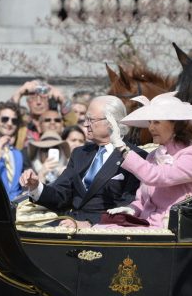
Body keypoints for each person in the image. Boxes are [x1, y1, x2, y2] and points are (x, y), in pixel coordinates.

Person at [19, 95, 142, 224]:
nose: (85, 124)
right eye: (85, 119)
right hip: (67, 224)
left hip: (104, 233)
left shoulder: (135, 157)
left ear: (112, 122)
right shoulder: (80, 153)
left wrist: (89, 223)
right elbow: (61, 195)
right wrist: (36, 186)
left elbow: (128, 208)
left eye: (90, 120)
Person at [95, 92, 192, 228]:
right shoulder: (153, 155)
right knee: (99, 229)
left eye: (156, 122)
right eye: (150, 122)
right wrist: (132, 209)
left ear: (176, 125)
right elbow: (143, 200)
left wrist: (123, 149)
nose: (150, 128)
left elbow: (157, 176)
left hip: (174, 227)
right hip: (146, 224)